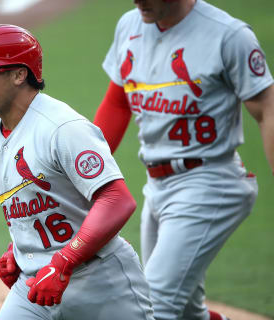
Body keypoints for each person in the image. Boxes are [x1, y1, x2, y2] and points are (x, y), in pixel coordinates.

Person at [0, 24, 155, 320]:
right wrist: (19, 249)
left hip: (100, 282)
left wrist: (63, 262)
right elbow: (38, 201)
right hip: (33, 285)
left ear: (19, 74)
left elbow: (117, 200)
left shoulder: (62, 128)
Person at [94, 0, 274, 319]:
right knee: (187, 312)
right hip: (157, 185)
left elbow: (266, 109)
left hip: (209, 182)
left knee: (155, 305)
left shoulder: (228, 36)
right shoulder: (130, 25)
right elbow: (119, 102)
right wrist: (86, 170)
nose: (137, 1)